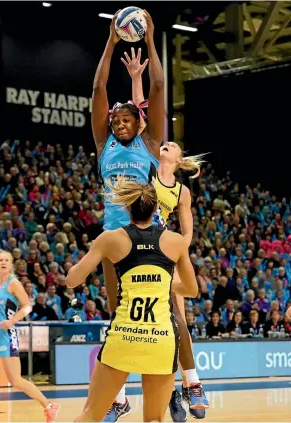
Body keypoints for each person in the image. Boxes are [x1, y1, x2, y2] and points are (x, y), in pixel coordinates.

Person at [121, 49, 209, 421]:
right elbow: (142, 111)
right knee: (138, 321)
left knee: (177, 321)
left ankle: (192, 385)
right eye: (163, 144)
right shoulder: (150, 164)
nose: (165, 144)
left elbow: (187, 235)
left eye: (171, 146)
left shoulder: (182, 193)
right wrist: (137, 76)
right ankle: (168, 390)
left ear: (178, 156)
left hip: (164, 252)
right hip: (139, 247)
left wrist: (177, 256)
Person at [65, 178, 198, 422]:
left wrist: (98, 254)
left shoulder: (110, 239)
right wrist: (163, 282)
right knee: (154, 419)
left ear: (127, 208)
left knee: (91, 414)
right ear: (156, 208)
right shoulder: (175, 241)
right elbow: (191, 289)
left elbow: (71, 281)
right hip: (161, 339)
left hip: (124, 336)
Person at [92, 9, 164, 420]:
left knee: (159, 320)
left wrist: (150, 36)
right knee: (119, 320)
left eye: (126, 118)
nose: (119, 121)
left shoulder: (149, 142)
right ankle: (118, 398)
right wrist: (111, 41)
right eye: (114, 118)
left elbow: (155, 83)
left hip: (148, 238)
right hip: (112, 239)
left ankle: (179, 384)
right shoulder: (104, 145)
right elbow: (99, 84)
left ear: (139, 123)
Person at [0, 252, 59, 423]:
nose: (3, 262)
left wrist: (12, 321)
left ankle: (48, 406)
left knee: (15, 380)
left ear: (10, 265)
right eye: (0, 260)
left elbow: (27, 306)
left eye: (6, 261)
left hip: (7, 336)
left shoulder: (14, 283)